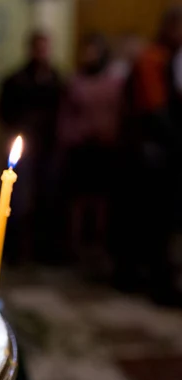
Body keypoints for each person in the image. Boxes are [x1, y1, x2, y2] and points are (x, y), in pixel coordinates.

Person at [111, 7, 182, 305]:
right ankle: (152, 283)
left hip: (155, 151)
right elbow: (154, 111)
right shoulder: (152, 59)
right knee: (150, 221)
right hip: (147, 154)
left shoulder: (166, 58)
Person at [57, 34, 123, 271]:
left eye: (94, 50)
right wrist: (70, 138)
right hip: (81, 148)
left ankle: (100, 246)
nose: (89, 55)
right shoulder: (75, 81)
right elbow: (67, 115)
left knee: (102, 201)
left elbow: (119, 111)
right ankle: (76, 247)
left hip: (106, 147)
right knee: (79, 200)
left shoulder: (115, 81)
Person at [0, 31, 62, 264]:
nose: (42, 53)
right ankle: (14, 252)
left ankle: (42, 251)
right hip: (25, 147)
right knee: (17, 199)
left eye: (45, 48)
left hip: (47, 148)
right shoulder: (16, 80)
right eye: (38, 48)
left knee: (46, 197)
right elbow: (4, 112)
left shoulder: (55, 78)